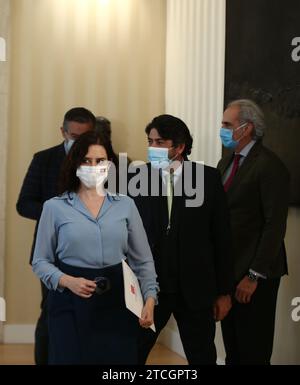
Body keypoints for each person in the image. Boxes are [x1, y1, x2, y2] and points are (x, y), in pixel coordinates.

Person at [31, 131, 158, 365]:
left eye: (100, 161)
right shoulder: (54, 207)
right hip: (69, 300)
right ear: (75, 164)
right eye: (86, 161)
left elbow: (143, 260)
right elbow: (40, 261)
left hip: (118, 300)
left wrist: (150, 298)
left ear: (109, 164)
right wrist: (68, 281)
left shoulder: (126, 205)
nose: (93, 166)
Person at [130, 114, 234, 365]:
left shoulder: (207, 179)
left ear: (179, 147)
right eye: (150, 141)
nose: (152, 148)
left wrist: (224, 292)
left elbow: (222, 238)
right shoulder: (137, 178)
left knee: (202, 356)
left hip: (196, 289)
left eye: (160, 142)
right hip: (151, 287)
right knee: (133, 352)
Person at [16, 107, 96, 365]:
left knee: (92, 315)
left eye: (84, 136)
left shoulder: (106, 162)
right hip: (51, 252)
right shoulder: (43, 159)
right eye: (73, 135)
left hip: (95, 252)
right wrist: (59, 213)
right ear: (63, 132)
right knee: (52, 313)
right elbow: (24, 204)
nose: (78, 142)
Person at [217, 99, 290, 365]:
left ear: (246, 128)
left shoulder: (270, 166)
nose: (222, 129)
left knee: (254, 351)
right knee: (233, 350)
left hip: (255, 276)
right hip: (230, 272)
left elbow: (274, 226)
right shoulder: (225, 162)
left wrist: (253, 275)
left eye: (227, 124)